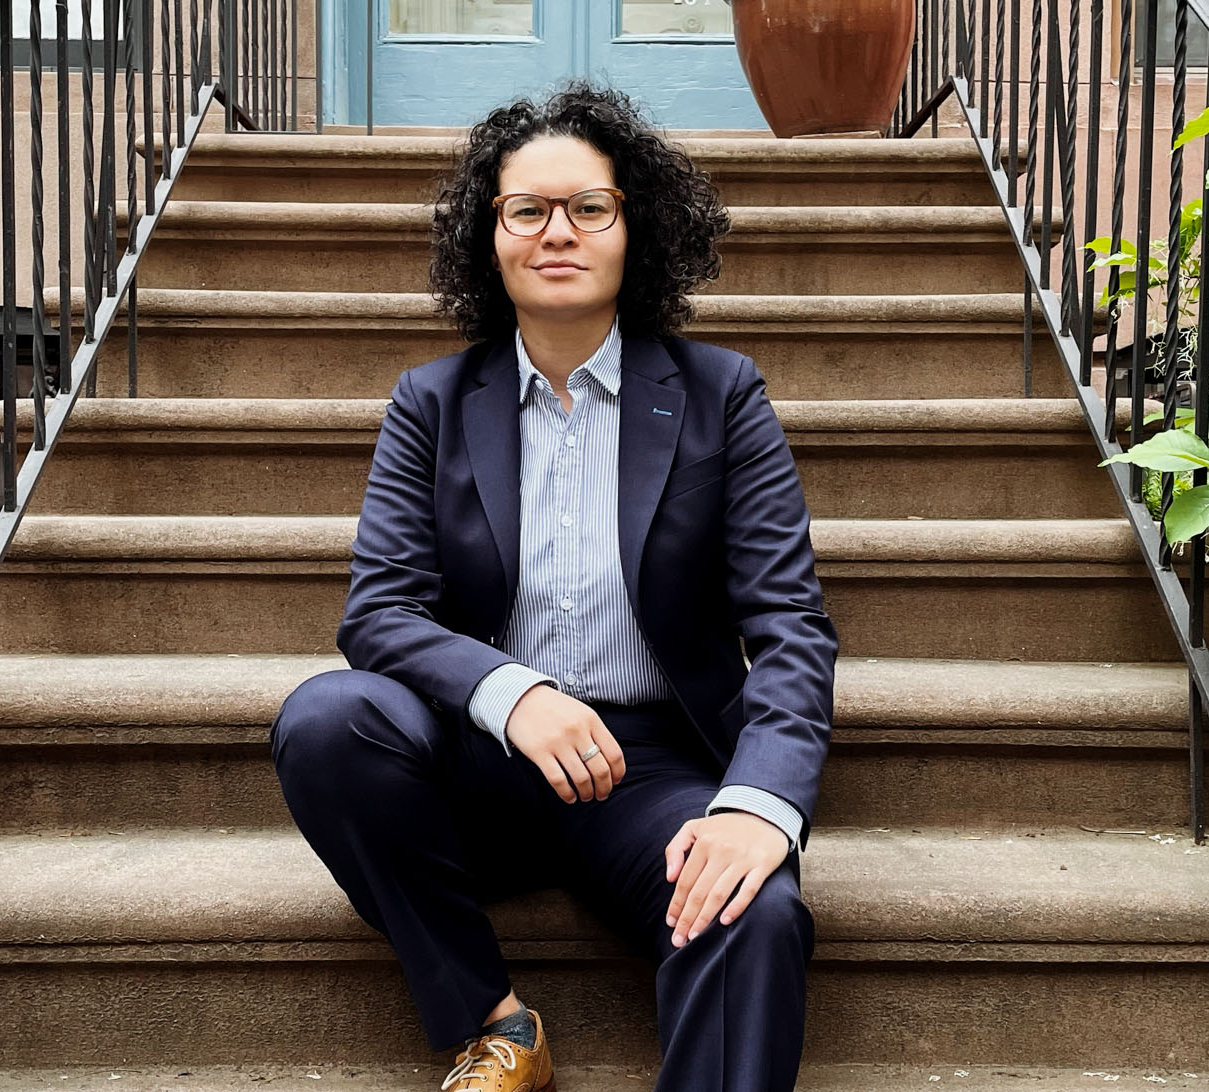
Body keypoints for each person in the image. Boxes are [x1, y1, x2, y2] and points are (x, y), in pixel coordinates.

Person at [271, 78, 838, 1092]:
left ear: (635, 226)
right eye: (526, 209)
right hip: (481, 761)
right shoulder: (432, 402)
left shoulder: (722, 395)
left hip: (650, 774)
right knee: (326, 720)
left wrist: (759, 805)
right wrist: (512, 693)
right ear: (490, 238)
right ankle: (497, 1029)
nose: (558, 232)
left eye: (589, 206)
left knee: (755, 910)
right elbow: (380, 611)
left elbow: (791, 625)